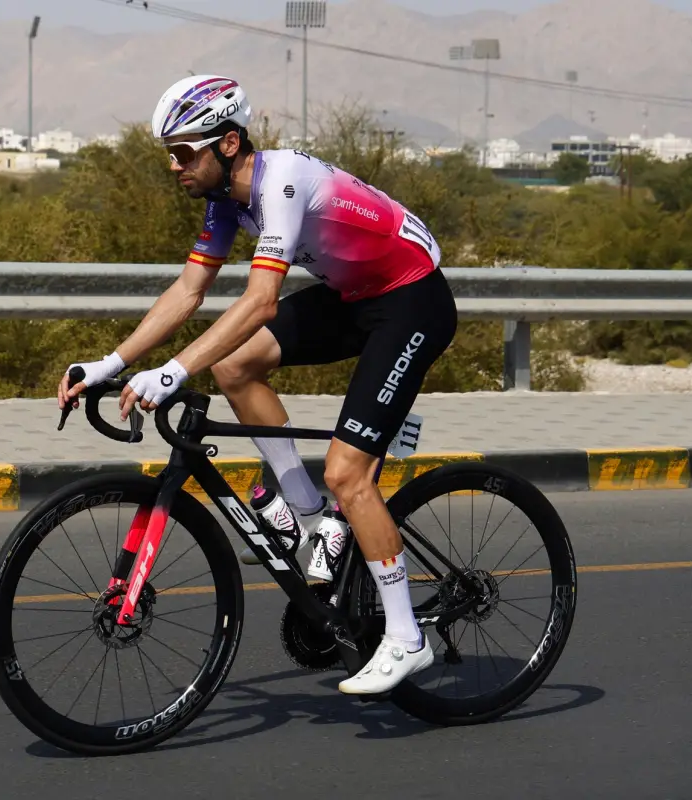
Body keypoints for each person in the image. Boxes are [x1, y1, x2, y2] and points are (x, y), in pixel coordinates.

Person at [56, 74, 457, 693]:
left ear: (228, 143)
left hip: (411, 301)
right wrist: (110, 364)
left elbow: (262, 300)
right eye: (170, 152)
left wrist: (170, 372)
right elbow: (189, 291)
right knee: (235, 366)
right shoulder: (226, 202)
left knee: (349, 473)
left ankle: (407, 637)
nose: (174, 166)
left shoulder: (283, 181)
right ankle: (303, 511)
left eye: (184, 152)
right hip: (353, 296)